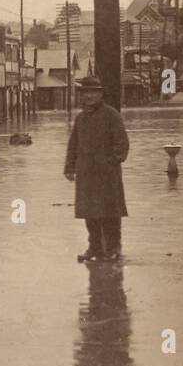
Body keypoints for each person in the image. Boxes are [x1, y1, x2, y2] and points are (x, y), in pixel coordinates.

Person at [64, 76, 129, 261]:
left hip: (107, 175)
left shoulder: (111, 115)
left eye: (93, 92)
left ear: (100, 94)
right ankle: (95, 248)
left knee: (110, 212)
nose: (89, 96)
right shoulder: (80, 118)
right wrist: (69, 168)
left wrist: (110, 161)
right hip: (86, 174)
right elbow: (73, 145)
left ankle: (113, 248)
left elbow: (122, 144)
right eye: (85, 93)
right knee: (89, 213)